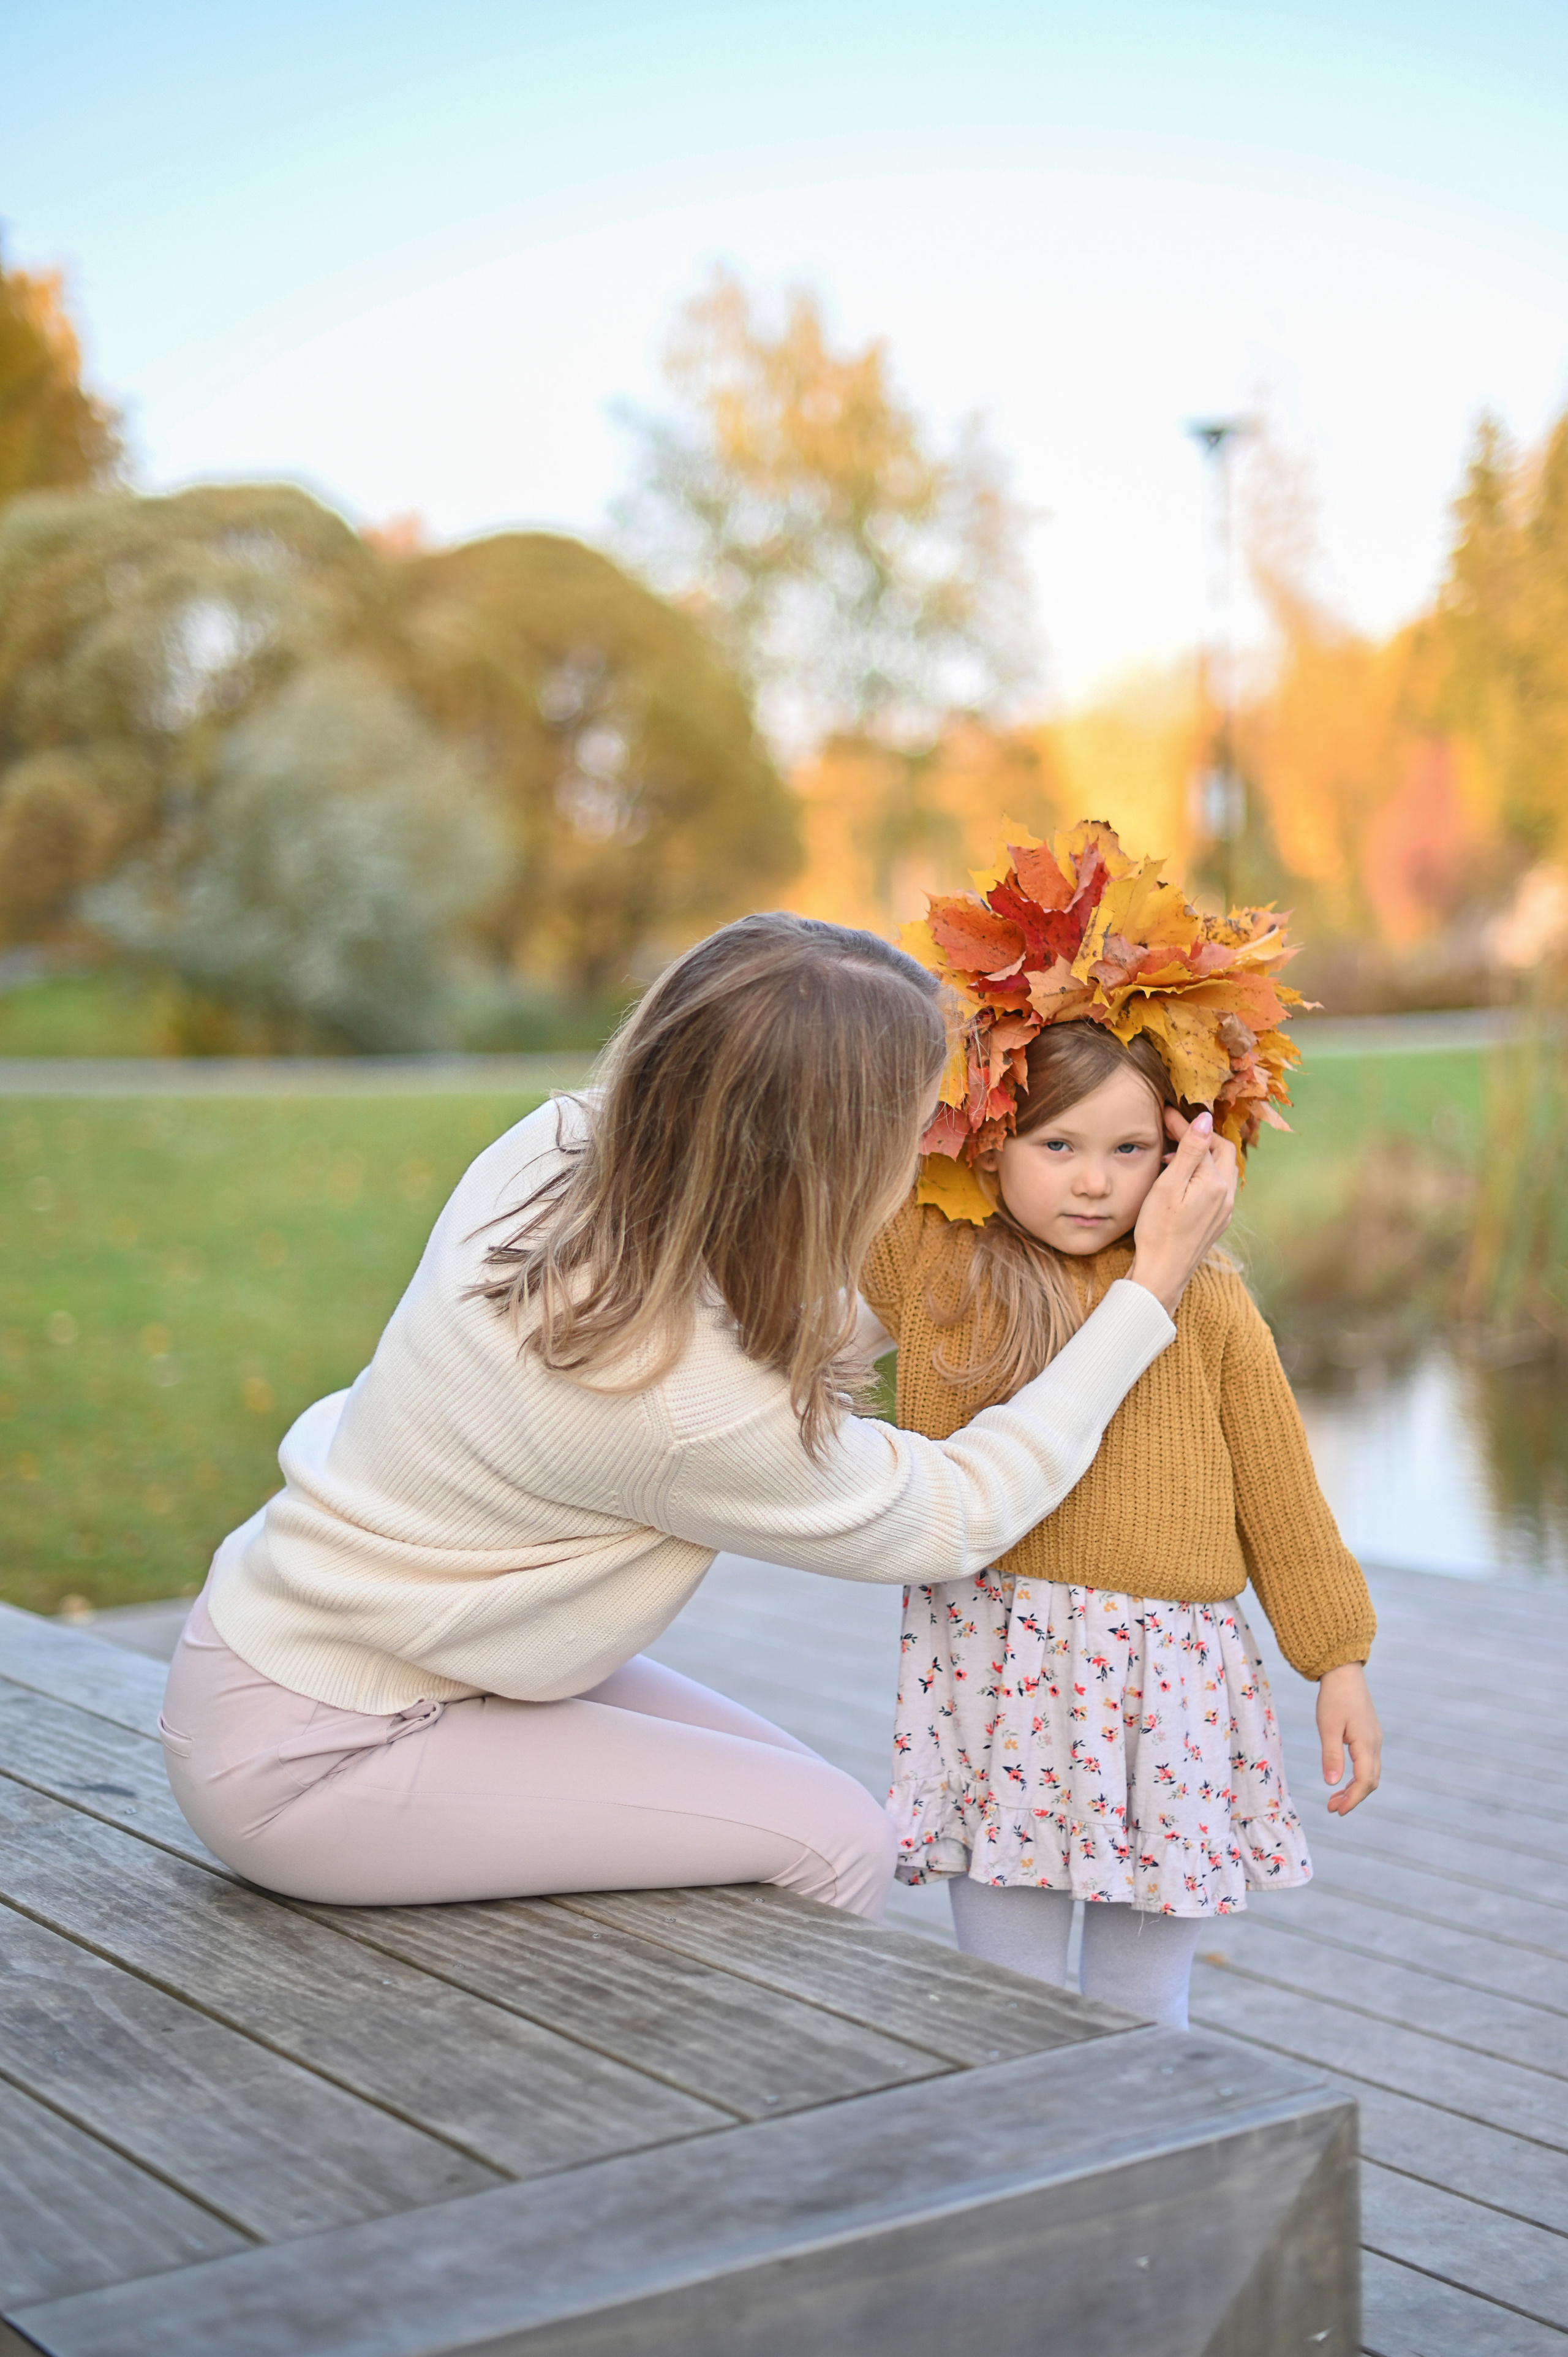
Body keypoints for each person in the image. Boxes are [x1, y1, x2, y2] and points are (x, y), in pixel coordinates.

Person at [159, 911, 1236, 1918]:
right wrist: (1150, 1290)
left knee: (792, 1794)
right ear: (824, 1157)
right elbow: (960, 1510)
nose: (926, 1158)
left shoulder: (562, 1149)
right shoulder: (679, 1407)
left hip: (355, 1647)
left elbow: (778, 1323)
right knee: (835, 1842)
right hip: (317, 1752)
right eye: (911, 1134)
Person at [866, 823, 1381, 2026]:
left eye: (1129, 1149)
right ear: (995, 1139)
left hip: (1165, 1689)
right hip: (1001, 1668)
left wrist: (1337, 1661)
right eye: (1056, 1144)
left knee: (1143, 1998)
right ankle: (1016, 2180)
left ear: (1185, 1152)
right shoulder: (939, 1263)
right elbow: (870, 1160)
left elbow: (1283, 1504)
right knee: (1001, 1994)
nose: (1092, 1181)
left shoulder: (1204, 1299)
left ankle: (1140, 2180)